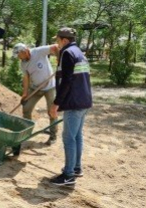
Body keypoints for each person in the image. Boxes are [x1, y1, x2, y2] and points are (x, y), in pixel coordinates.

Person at [49, 27, 93, 186]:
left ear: (64, 40)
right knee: (77, 136)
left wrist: (56, 103)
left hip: (73, 103)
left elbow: (67, 81)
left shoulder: (67, 53)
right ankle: (76, 168)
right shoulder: (80, 53)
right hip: (84, 101)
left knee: (68, 138)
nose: (57, 43)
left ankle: (68, 175)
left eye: (58, 40)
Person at [12, 43, 59, 146]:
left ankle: (53, 136)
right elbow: (26, 78)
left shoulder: (38, 51)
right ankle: (27, 133)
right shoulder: (23, 64)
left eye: (19, 55)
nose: (19, 58)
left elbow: (55, 46)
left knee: (52, 111)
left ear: (24, 51)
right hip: (35, 88)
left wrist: (59, 60)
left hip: (49, 86)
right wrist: (25, 93)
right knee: (26, 109)